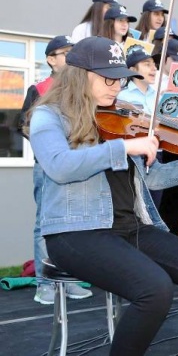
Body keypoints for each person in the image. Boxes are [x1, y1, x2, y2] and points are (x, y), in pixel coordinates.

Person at [23, 36, 178, 355]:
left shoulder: (122, 118)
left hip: (131, 227)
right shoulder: (49, 115)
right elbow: (60, 166)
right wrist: (123, 147)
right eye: (108, 78)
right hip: (76, 233)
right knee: (155, 289)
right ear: (79, 74)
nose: (116, 87)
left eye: (120, 79)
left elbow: (153, 177)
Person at [19, 36, 93, 305]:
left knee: (73, 225)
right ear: (51, 59)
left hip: (78, 166)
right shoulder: (38, 89)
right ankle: (45, 284)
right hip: (48, 167)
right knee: (44, 225)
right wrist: (51, 148)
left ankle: (70, 282)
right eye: (66, 53)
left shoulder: (83, 89)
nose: (71, 58)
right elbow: (24, 126)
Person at [117, 49, 157, 114]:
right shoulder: (122, 96)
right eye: (147, 64)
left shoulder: (157, 96)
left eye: (154, 64)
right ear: (133, 70)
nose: (154, 68)